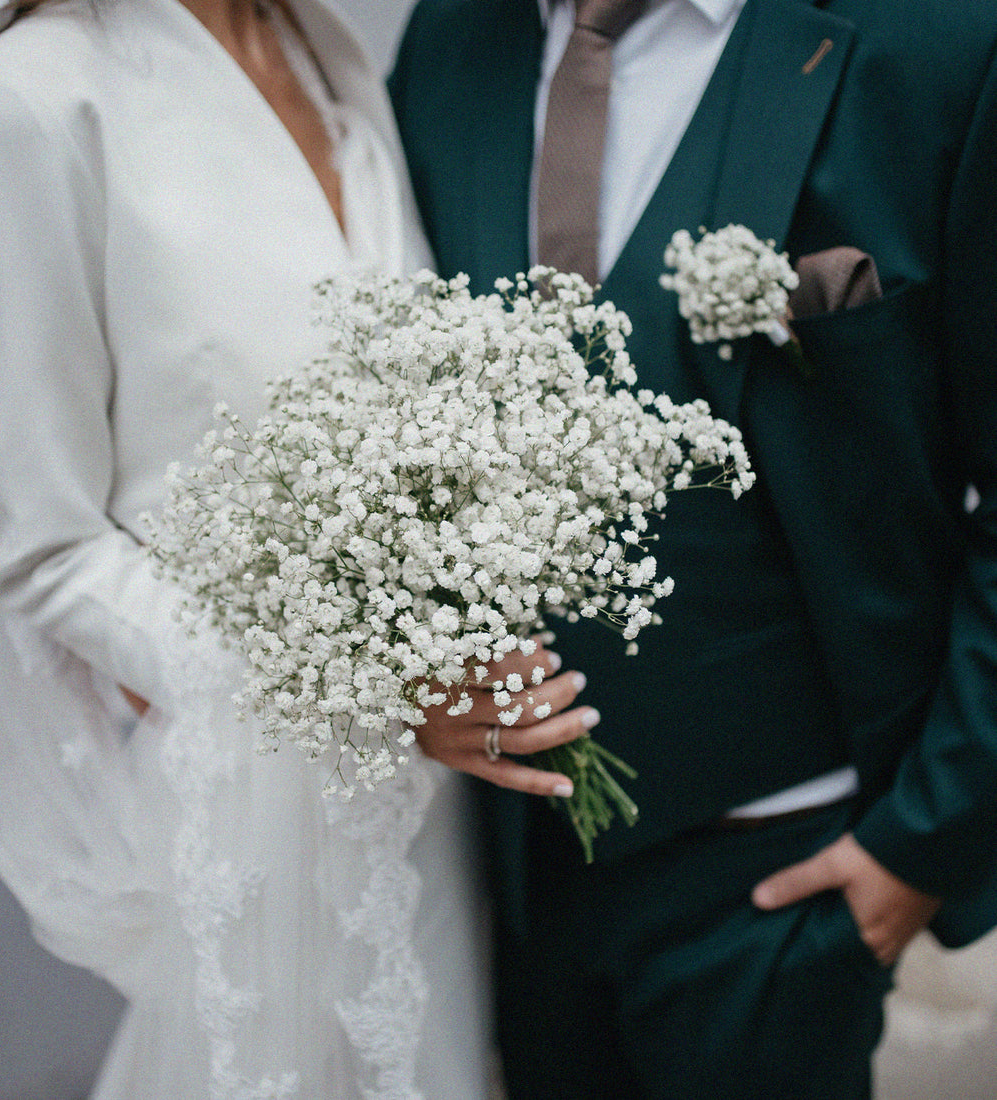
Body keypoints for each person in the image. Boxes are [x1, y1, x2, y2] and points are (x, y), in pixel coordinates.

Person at [0, 0, 591, 1093]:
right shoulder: (26, 103)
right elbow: (48, 547)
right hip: (261, 812)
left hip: (434, 814)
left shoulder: (331, 59)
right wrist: (371, 691)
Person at [390, 0, 997, 1096]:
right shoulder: (448, 41)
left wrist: (925, 839)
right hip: (516, 888)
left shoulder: (936, 41)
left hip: (784, 880)